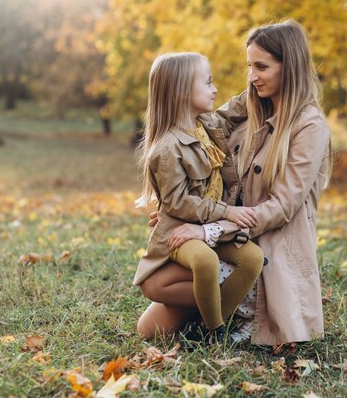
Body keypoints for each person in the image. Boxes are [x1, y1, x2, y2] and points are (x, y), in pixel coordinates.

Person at [138, 19, 332, 346]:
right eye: (249, 66)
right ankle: (216, 315)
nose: (252, 76)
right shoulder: (248, 111)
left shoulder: (309, 127)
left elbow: (281, 207)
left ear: (291, 68)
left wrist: (208, 230)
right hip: (228, 242)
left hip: (264, 256)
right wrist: (177, 212)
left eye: (262, 67)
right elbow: (192, 144)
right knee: (150, 324)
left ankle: (228, 322)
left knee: (164, 302)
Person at [132, 52, 264, 343]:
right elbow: (179, 203)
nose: (215, 89)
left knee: (253, 258)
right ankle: (215, 331)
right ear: (182, 91)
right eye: (207, 82)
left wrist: (257, 84)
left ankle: (207, 327)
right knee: (205, 261)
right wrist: (227, 213)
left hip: (209, 228)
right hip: (180, 233)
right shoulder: (167, 148)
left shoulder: (206, 125)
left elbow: (233, 110)